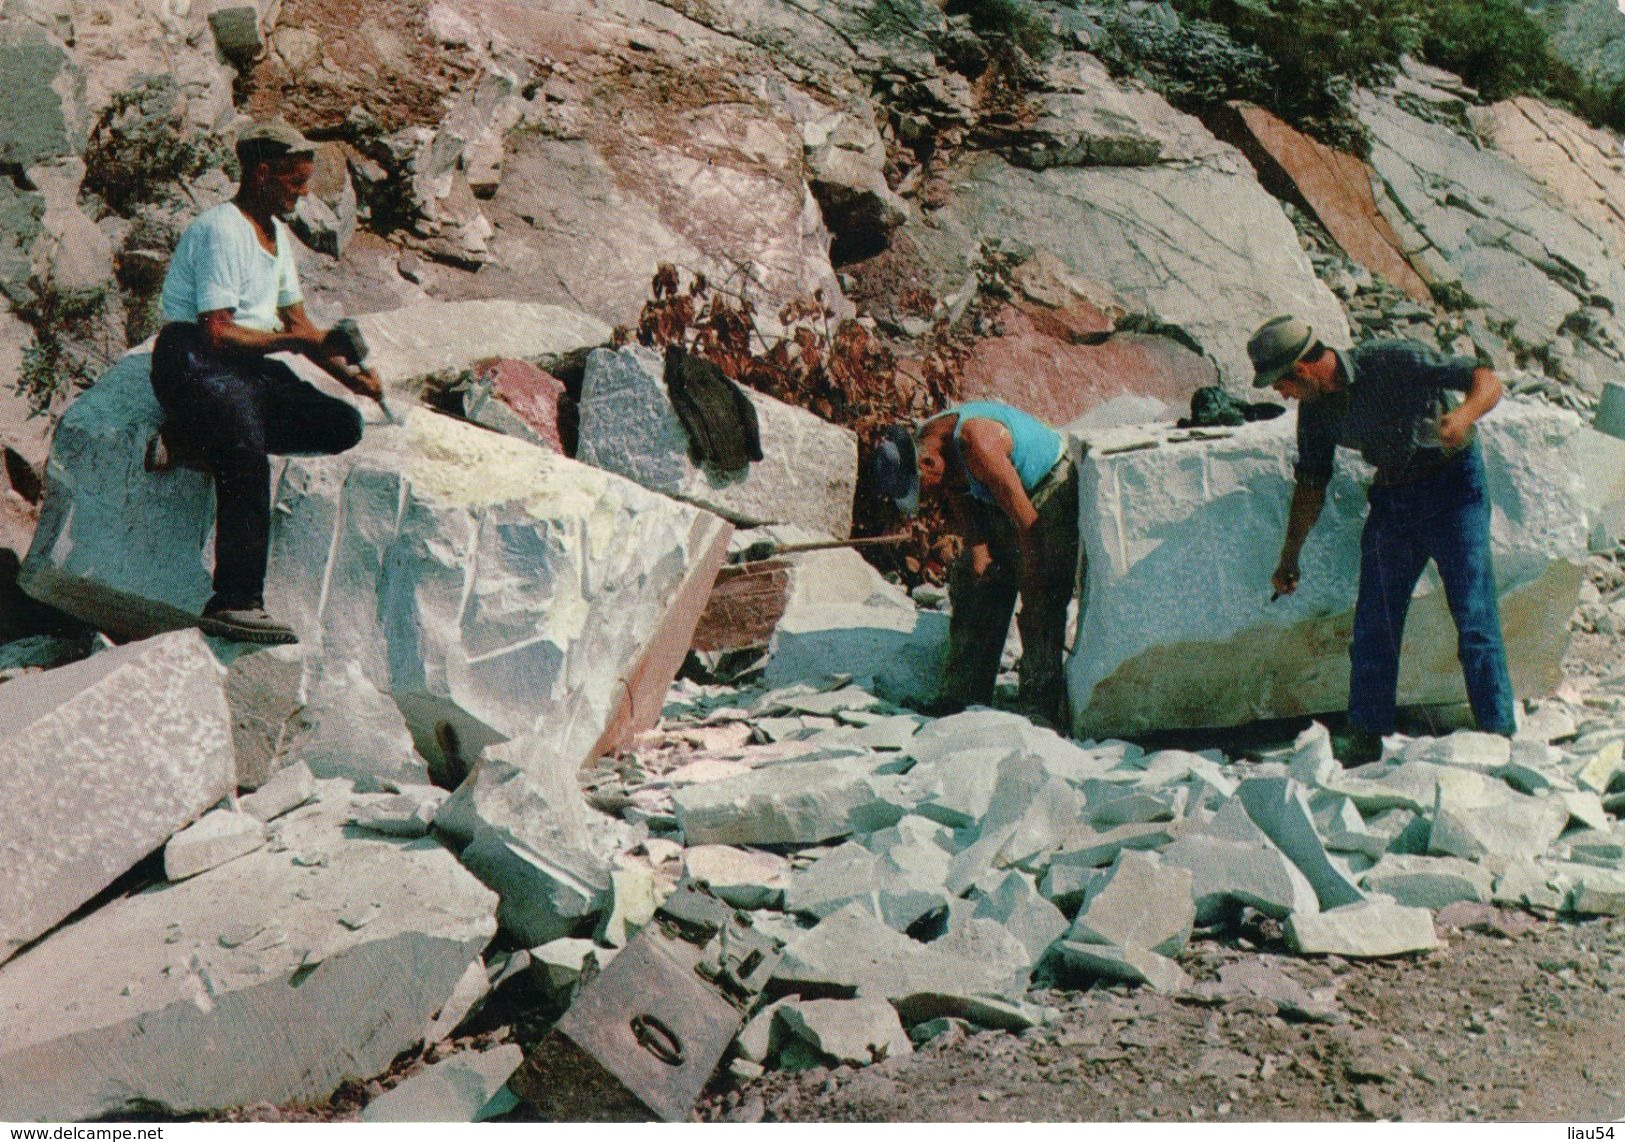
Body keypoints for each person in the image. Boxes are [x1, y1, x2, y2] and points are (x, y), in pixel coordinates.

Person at [152, 119, 382, 645]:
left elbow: (300, 327)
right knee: (246, 448)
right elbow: (216, 330)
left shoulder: (275, 236)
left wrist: (353, 380)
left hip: (245, 364)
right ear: (262, 174)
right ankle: (233, 601)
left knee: (341, 425)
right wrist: (295, 345)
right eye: (295, 183)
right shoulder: (220, 229)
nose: (302, 195)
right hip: (193, 361)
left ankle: (190, 438)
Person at [1249, 315, 1516, 763]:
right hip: (1395, 498)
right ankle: (1366, 735)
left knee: (1473, 615)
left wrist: (1462, 416)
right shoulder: (1315, 414)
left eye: (1281, 384)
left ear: (1303, 369)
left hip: (1455, 489)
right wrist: (1288, 558)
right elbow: (1311, 485)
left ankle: (1498, 732)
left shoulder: (1394, 359)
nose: (1282, 394)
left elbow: (1485, 378)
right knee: (1375, 622)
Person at [872, 401, 1079, 726]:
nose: (926, 500)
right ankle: (962, 696)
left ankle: (1040, 705)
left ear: (928, 463)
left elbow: (1028, 524)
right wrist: (978, 557)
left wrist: (1032, 576)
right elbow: (957, 492)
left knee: (1041, 591)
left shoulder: (978, 443)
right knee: (974, 579)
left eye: (922, 489)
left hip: (1044, 487)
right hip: (997, 491)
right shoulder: (930, 444)